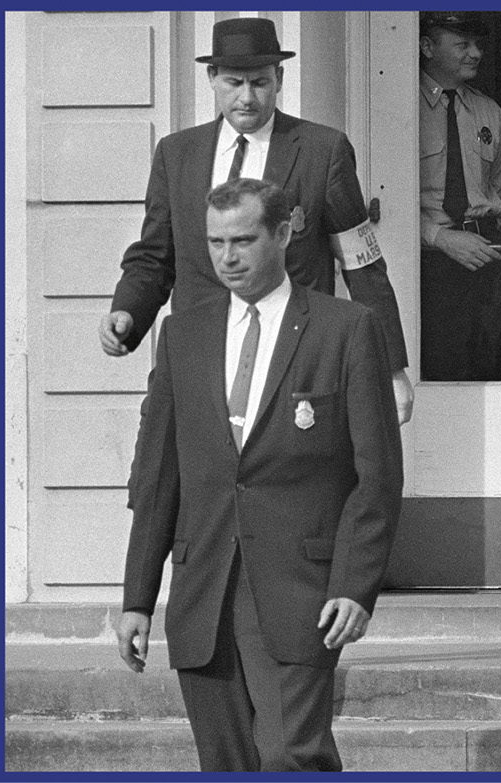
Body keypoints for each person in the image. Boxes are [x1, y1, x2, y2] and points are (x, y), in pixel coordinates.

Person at [115, 178, 403, 771]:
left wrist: (355, 584)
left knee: (291, 755)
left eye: (243, 240)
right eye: (216, 242)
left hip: (303, 590)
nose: (228, 257)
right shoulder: (182, 335)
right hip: (204, 591)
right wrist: (137, 597)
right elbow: (159, 476)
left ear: (283, 232)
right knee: (226, 763)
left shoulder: (345, 329)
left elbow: (377, 476)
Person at [98, 17, 414, 424]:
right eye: (233, 82)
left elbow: (362, 264)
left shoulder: (323, 151)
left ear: (279, 79)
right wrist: (128, 312)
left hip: (294, 362)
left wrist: (391, 368)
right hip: (197, 358)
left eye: (259, 82)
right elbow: (155, 256)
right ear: (212, 78)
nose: (247, 97)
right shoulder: (177, 155)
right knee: (160, 481)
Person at [418, 11, 501, 380]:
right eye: (462, 44)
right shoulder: (402, 110)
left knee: (490, 363)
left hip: (486, 254)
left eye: (477, 44)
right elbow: (385, 199)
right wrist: (439, 237)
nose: (475, 53)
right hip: (429, 261)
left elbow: (500, 187)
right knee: (441, 366)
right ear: (428, 46)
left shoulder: (488, 110)